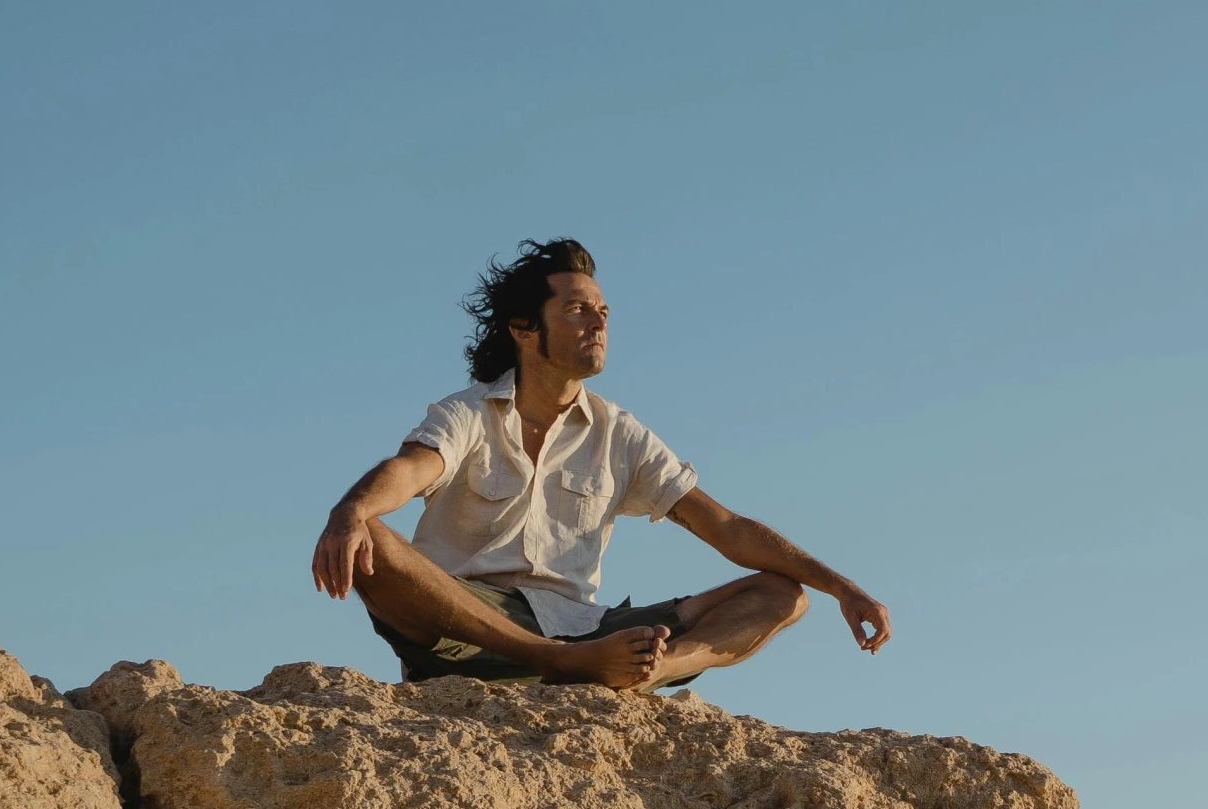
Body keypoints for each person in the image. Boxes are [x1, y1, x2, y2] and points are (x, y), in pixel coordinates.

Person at [310, 238, 890, 690]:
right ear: (523, 328)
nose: (599, 323)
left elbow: (727, 527)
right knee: (374, 544)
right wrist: (350, 512)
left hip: (589, 634)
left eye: (603, 311)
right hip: (467, 630)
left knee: (784, 593)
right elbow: (411, 469)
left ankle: (643, 677)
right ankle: (555, 664)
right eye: (577, 309)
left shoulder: (620, 432)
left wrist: (843, 587)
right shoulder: (468, 414)